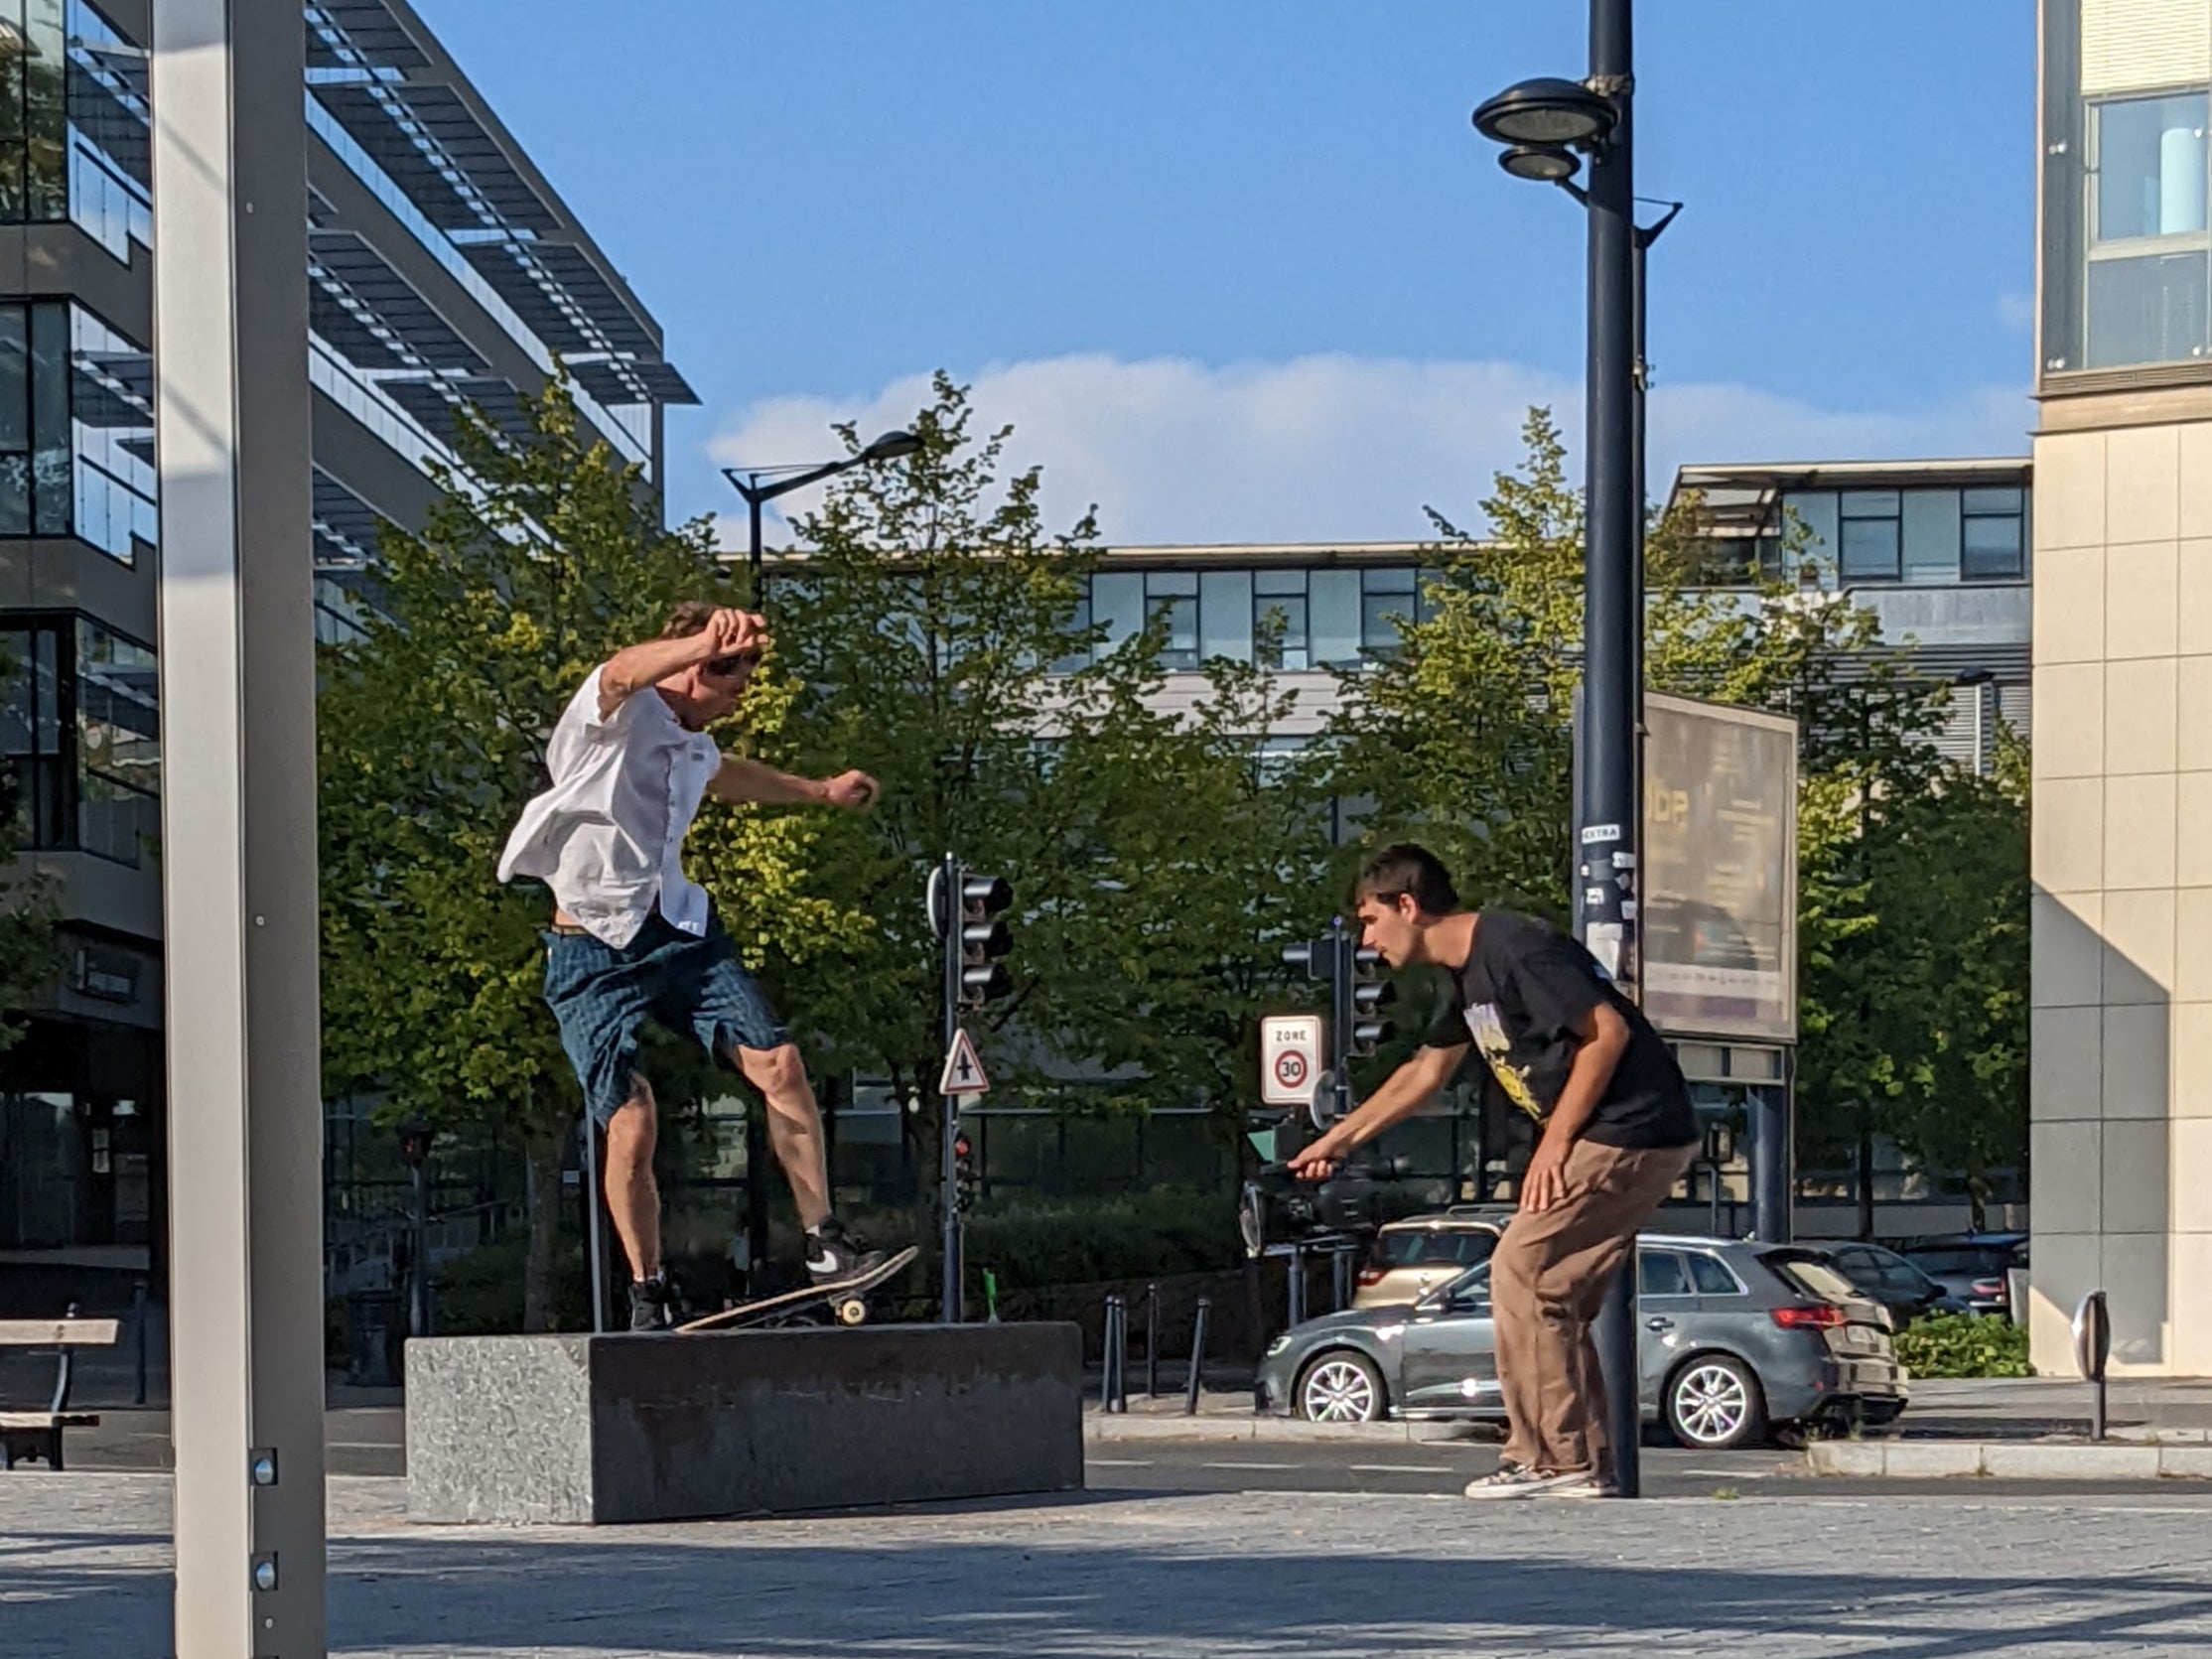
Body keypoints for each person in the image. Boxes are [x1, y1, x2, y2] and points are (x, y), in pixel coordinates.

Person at [497, 602, 884, 1330]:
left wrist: (820, 791)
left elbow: (732, 776)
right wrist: (701, 642)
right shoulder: (613, 716)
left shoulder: (694, 747)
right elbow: (620, 670)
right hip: (590, 953)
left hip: (678, 934)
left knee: (781, 1064)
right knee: (632, 1121)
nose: (743, 694)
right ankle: (648, 1291)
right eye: (733, 678)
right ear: (696, 666)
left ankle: (825, 1242)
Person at [1288, 843, 1700, 1498]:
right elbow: (1425, 1071)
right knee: (1551, 1296)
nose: (1368, 941)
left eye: (1370, 921)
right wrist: (1338, 1139)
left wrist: (1555, 1142)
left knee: (1520, 1268)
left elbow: (1608, 1031)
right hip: (1631, 1133)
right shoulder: (1468, 974)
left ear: (1408, 905)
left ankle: (1552, 1461)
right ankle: (1584, 1467)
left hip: (1626, 1130)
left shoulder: (1514, 947)